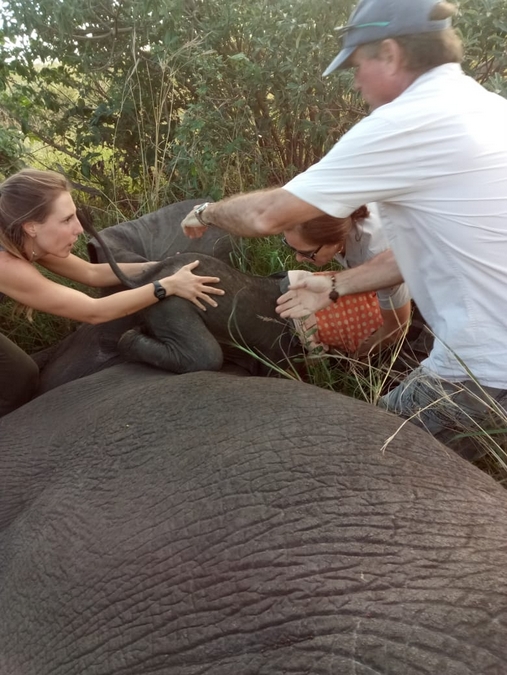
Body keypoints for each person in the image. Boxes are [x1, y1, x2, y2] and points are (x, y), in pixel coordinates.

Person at [180, 0, 507, 455]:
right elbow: (406, 257)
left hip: (486, 369)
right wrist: (333, 286)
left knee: (356, 455)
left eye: (358, 65)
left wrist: (207, 211)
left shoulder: (406, 123)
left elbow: (264, 216)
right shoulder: (491, 110)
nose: (356, 82)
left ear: (390, 54)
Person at [0, 168, 224, 417]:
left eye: (75, 216)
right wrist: (166, 286)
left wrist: (156, 267)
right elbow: (93, 311)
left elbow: (91, 273)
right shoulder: (5, 265)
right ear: (31, 227)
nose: (78, 229)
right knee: (19, 376)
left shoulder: (22, 238)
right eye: (66, 220)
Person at [282, 204, 410, 356]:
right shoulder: (334, 220)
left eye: (307, 253)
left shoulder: (377, 254)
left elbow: (397, 325)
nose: (298, 259)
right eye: (291, 248)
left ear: (334, 242)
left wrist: (360, 355)